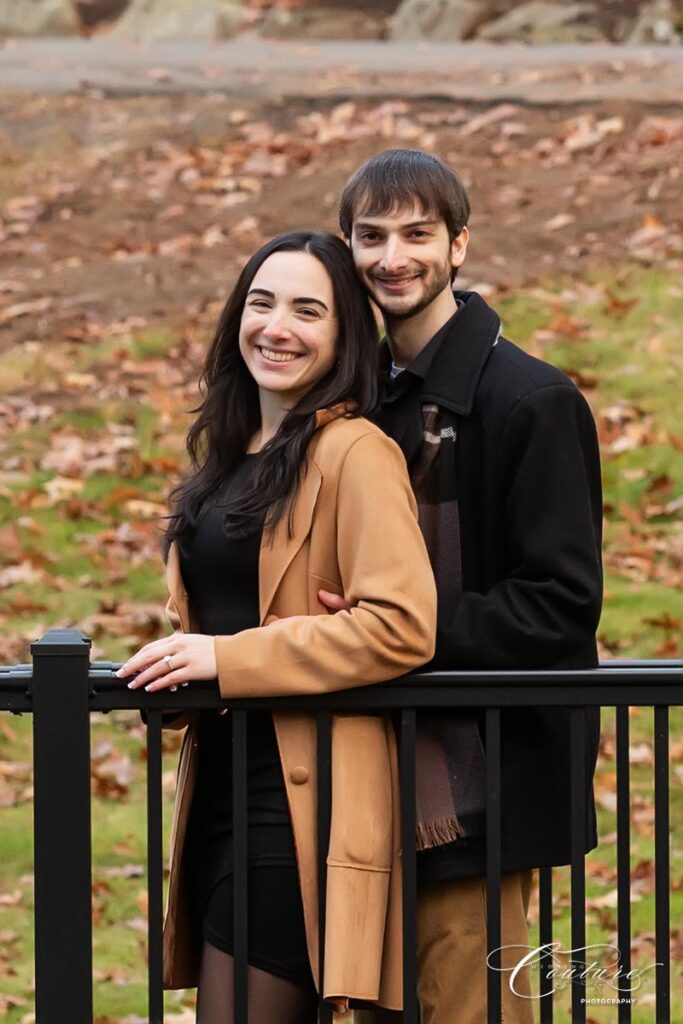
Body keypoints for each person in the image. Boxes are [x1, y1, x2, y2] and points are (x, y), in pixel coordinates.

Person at [116, 230, 437, 1023]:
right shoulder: (228, 458)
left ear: (342, 337)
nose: (276, 326)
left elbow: (401, 625)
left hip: (301, 801)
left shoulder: (354, 451)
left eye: (306, 310)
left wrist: (226, 658)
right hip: (222, 791)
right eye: (260, 303)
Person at [318, 149, 603, 1024]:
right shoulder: (353, 400)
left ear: (459, 246)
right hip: (361, 765)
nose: (392, 257)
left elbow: (560, 601)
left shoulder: (530, 401)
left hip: (477, 779)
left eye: (417, 234)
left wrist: (394, 630)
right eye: (370, 237)